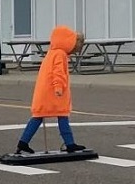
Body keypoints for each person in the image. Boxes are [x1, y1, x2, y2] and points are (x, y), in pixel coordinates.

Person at [16, 25, 86, 154]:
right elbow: (58, 72)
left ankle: (23, 143)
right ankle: (70, 144)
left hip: (45, 92)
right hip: (54, 93)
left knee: (38, 116)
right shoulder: (60, 54)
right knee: (62, 115)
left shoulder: (52, 53)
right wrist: (58, 87)